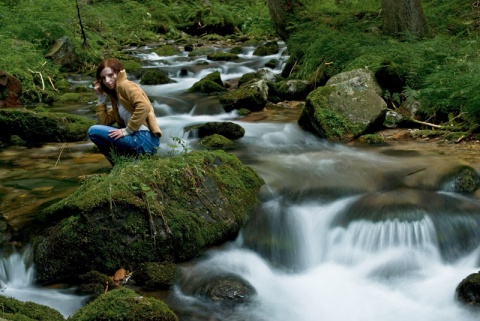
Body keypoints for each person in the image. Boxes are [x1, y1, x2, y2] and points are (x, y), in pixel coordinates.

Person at [88, 58, 162, 166]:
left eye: (110, 75)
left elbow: (144, 106)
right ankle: (123, 166)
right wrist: (100, 98)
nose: (107, 81)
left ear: (118, 72)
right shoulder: (117, 97)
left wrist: (128, 130)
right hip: (139, 138)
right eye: (103, 78)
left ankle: (119, 165)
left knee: (92, 131)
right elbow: (104, 123)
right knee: (98, 133)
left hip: (144, 138)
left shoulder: (126, 85)